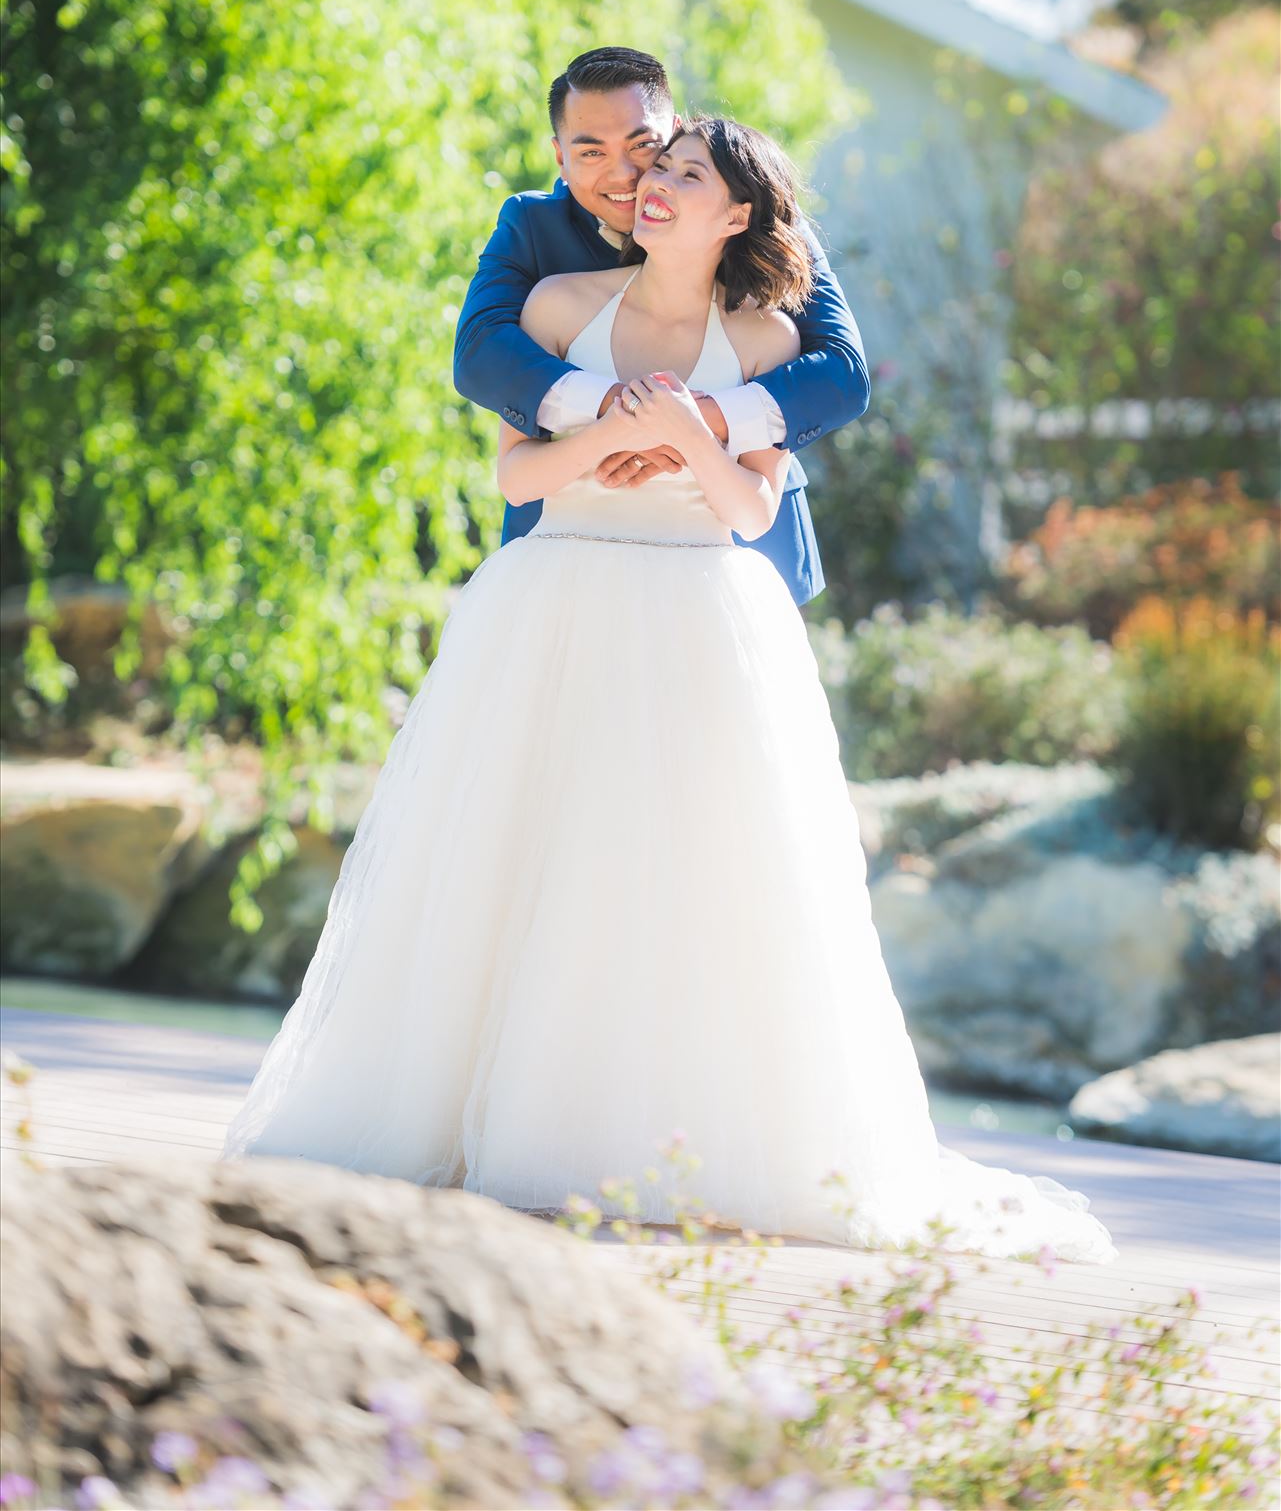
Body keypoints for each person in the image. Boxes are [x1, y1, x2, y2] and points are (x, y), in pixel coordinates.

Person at [221, 109, 1116, 1265]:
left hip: (702, 612)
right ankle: (489, 1114)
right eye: (614, 157)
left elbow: (777, 466)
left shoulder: (768, 331)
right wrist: (599, 429)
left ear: (733, 208)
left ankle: (667, 1134)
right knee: (519, 847)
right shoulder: (550, 296)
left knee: (693, 869)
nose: (640, 178)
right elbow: (506, 434)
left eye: (671, 165)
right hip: (552, 604)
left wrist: (694, 433)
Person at [452, 45, 871, 609]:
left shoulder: (770, 232)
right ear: (560, 157)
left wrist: (697, 424)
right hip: (569, 549)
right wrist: (620, 410)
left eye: (643, 145)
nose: (625, 174)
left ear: (673, 132)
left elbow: (843, 374)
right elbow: (481, 352)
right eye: (592, 151)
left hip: (728, 555)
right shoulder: (532, 227)